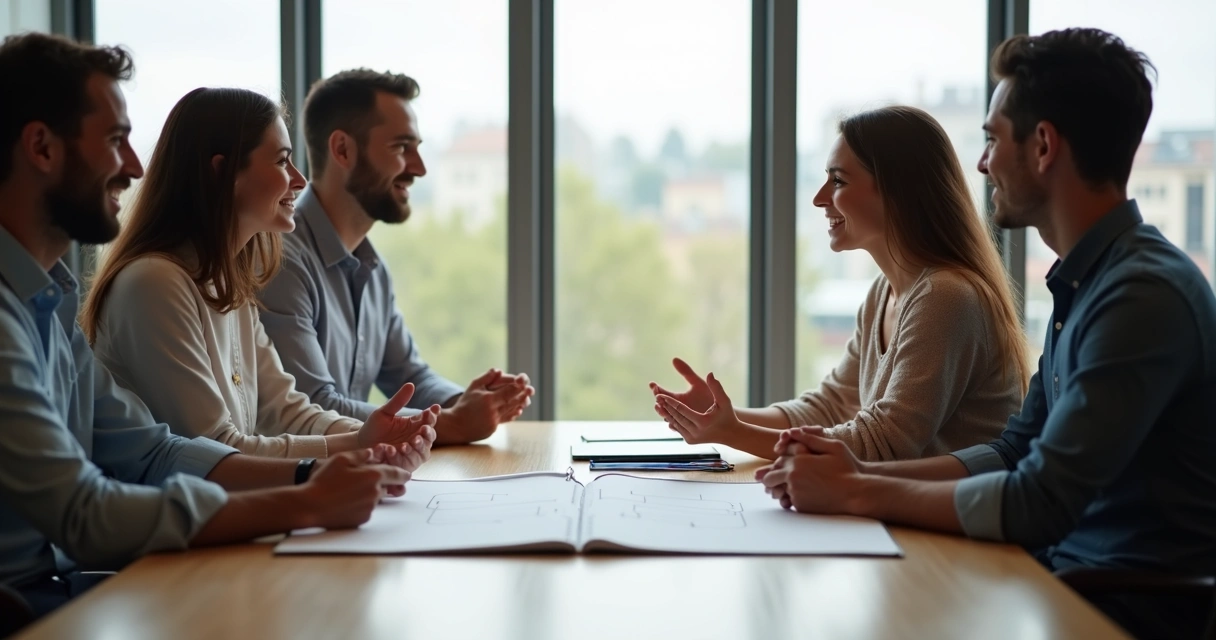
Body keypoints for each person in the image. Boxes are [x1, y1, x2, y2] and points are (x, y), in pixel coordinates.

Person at [758, 28, 1216, 640]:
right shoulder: (1087, 284)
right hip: (1054, 582)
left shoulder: (1140, 297)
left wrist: (858, 492)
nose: (982, 163)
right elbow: (1011, 451)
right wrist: (853, 475)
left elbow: (1039, 500)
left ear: (1044, 146)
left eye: (993, 140)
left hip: (1115, 609)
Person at [0, 33, 424, 628]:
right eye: (116, 141)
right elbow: (86, 513)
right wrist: (306, 495)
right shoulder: (135, 287)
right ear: (41, 147)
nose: (135, 166)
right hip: (37, 604)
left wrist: (333, 462)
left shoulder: (49, 303)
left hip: (73, 586)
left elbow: (155, 450)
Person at [81, 86, 438, 461]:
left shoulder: (227, 284)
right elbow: (220, 451)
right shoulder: (154, 283)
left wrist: (383, 434)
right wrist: (359, 442)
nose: (299, 180)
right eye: (283, 161)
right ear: (223, 172)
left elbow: (288, 413)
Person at [652, 106, 1028, 462]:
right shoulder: (885, 293)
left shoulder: (947, 297)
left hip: (949, 529)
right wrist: (725, 415)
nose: (819, 198)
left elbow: (885, 442)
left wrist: (733, 433)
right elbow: (828, 406)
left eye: (837, 181)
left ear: (898, 192)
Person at [257, 68, 533, 446]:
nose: (419, 168)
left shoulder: (373, 270)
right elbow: (311, 407)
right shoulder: (280, 260)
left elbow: (411, 377)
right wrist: (450, 423)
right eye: (402, 148)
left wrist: (468, 403)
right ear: (343, 150)